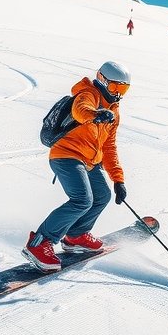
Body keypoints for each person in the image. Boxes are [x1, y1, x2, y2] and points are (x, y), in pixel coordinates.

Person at [23, 61, 132, 271]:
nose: (118, 94)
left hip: (90, 161)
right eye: (115, 87)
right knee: (82, 200)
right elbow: (80, 110)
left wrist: (118, 180)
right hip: (66, 155)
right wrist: (96, 114)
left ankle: (76, 236)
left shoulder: (114, 111)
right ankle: (39, 243)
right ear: (102, 80)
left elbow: (109, 147)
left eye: (123, 89)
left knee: (102, 196)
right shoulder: (88, 94)